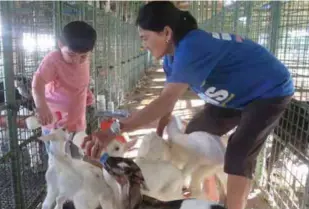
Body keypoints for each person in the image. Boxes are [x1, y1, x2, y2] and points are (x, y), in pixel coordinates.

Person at [81, 2, 294, 209]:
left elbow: (164, 101)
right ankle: (205, 193)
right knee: (194, 130)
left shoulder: (192, 46)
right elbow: (167, 101)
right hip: (234, 95)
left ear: (166, 32)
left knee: (239, 153)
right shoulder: (170, 58)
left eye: (145, 38)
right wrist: (160, 130)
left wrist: (114, 130)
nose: (143, 45)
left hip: (268, 91)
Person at [32, 21, 96, 135]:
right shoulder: (54, 60)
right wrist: (41, 106)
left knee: (78, 152)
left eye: (83, 56)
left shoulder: (86, 61)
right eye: (71, 54)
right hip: (55, 126)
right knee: (58, 153)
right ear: (60, 44)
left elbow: (79, 81)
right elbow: (38, 82)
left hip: (78, 124)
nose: (76, 61)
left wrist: (86, 92)